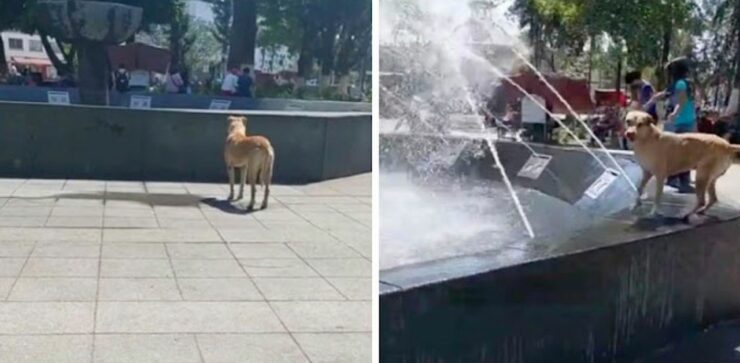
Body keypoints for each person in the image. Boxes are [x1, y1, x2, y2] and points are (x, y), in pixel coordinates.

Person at [664, 57, 696, 193]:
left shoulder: (680, 84)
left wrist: (674, 114)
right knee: (686, 153)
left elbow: (681, 101)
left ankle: (673, 179)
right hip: (688, 121)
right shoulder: (686, 83)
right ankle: (682, 181)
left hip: (680, 122)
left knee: (675, 152)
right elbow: (682, 101)